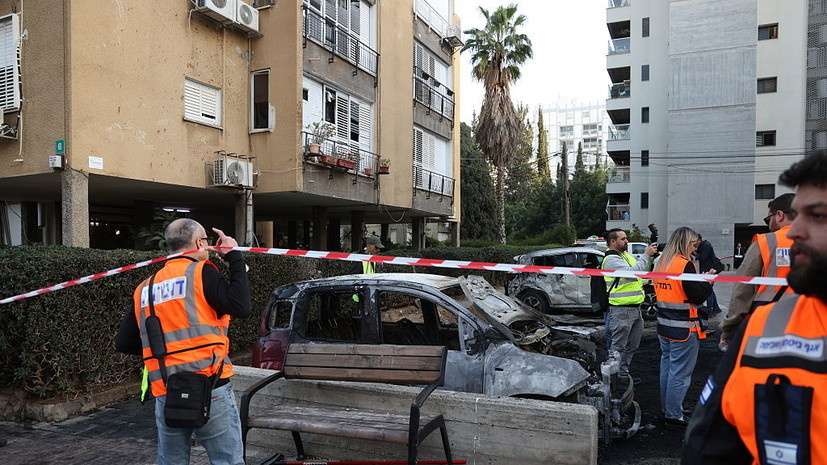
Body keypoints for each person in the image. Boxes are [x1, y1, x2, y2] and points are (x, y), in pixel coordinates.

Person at [683, 150, 827, 463]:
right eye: (797, 215)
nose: (797, 231)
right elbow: (708, 448)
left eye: (816, 215)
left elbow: (742, 288)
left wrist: (729, 324)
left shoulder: (764, 244)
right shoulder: (761, 333)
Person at [115, 219, 251, 465]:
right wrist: (233, 256)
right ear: (200, 243)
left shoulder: (146, 287)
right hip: (211, 387)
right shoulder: (202, 272)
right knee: (227, 461)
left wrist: (163, 352)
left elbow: (124, 342)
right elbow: (241, 306)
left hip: (167, 390)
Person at [652, 227, 713, 428]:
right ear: (686, 243)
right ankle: (673, 413)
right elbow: (696, 296)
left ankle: (668, 407)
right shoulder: (684, 265)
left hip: (664, 325)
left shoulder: (660, 262)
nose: (695, 248)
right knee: (680, 373)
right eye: (694, 244)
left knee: (667, 367)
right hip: (684, 328)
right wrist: (708, 281)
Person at [718, 193, 795, 351]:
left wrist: (728, 328)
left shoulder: (767, 242)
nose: (768, 224)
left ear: (779, 215)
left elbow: (742, 290)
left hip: (770, 324)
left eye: (768, 219)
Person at [601, 228, 657, 383]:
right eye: (623, 239)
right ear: (613, 242)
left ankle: (622, 374)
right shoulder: (611, 259)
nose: (626, 241)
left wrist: (650, 259)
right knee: (617, 347)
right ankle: (611, 380)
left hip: (635, 308)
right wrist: (646, 254)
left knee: (632, 345)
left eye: (626, 238)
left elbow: (640, 270)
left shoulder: (624, 255)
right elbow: (632, 272)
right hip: (622, 310)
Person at [693, 235, 722, 315]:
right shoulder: (702, 246)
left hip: (710, 270)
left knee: (708, 290)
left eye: (694, 241)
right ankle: (715, 308)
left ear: (699, 240)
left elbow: (702, 257)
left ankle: (710, 309)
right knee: (710, 290)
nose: (694, 244)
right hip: (706, 270)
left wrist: (694, 252)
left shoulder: (706, 246)